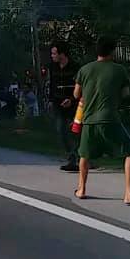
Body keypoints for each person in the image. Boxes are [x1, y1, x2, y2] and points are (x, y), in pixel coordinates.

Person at [73, 36, 130, 207]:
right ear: (112, 52)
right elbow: (126, 94)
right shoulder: (118, 70)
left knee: (84, 155)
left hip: (88, 120)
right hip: (109, 118)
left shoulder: (84, 69)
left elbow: (76, 94)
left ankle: (81, 189)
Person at [49, 42, 80, 172]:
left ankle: (80, 158)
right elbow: (52, 84)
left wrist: (72, 100)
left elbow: (80, 87)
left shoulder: (75, 67)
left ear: (62, 54)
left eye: (54, 53)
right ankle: (71, 156)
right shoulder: (53, 67)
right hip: (58, 103)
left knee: (75, 130)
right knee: (60, 129)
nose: (52, 56)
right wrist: (51, 100)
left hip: (74, 104)